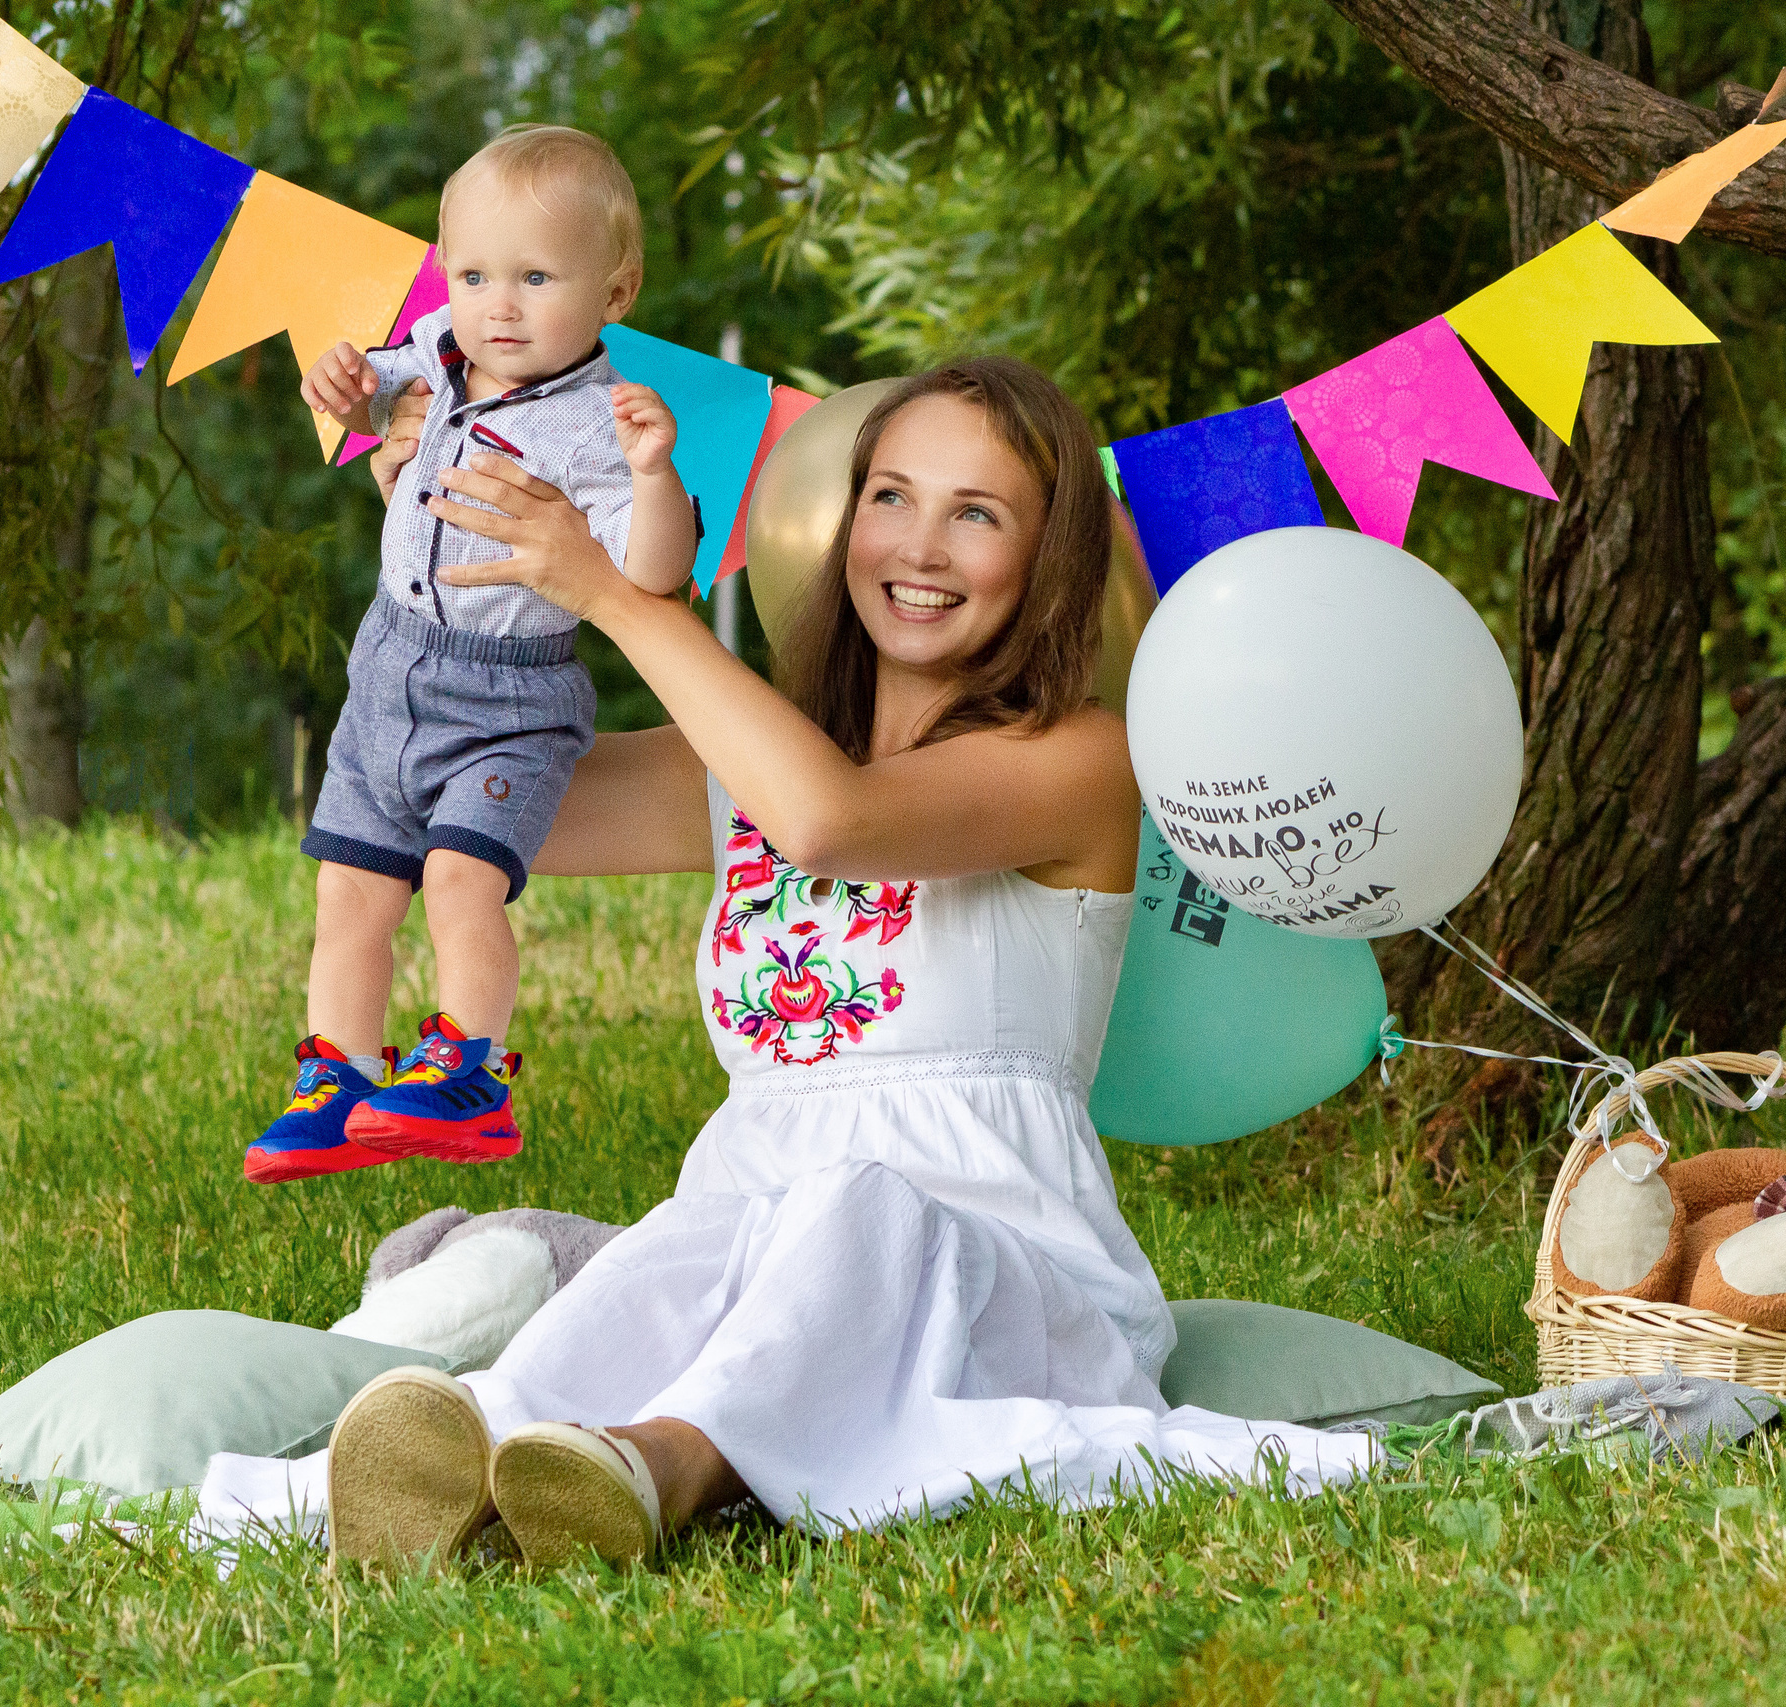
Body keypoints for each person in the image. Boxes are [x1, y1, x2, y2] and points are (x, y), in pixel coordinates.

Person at [198, 356, 1374, 1567]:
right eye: (891, 498)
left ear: (1049, 560)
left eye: (976, 515)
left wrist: (612, 593)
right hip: (744, 1231)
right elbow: (448, 799)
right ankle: (469, 1462)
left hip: (999, 1272)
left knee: (861, 1207)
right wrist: (432, 536)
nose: (918, 548)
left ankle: (661, 1467)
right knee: (671, 1254)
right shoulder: (745, 758)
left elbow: (831, 821)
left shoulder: (1076, 761)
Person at [247, 124, 700, 1187]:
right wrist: (341, 382)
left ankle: (470, 1071)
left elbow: (652, 574)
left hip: (508, 700)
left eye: (536, 277)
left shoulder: (601, 424)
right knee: (350, 894)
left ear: (616, 291)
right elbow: (366, 397)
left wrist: (651, 472)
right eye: (472, 274)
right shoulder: (440, 361)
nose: (498, 304)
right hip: (385, 676)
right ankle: (342, 1078)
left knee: (458, 881)